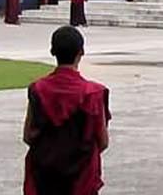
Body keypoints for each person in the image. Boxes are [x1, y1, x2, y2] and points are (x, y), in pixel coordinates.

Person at [23, 26, 110, 195]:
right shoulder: (93, 93)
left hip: (42, 177)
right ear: (81, 52)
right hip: (81, 178)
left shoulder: (38, 89)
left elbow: (28, 136)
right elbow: (103, 141)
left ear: (52, 51)